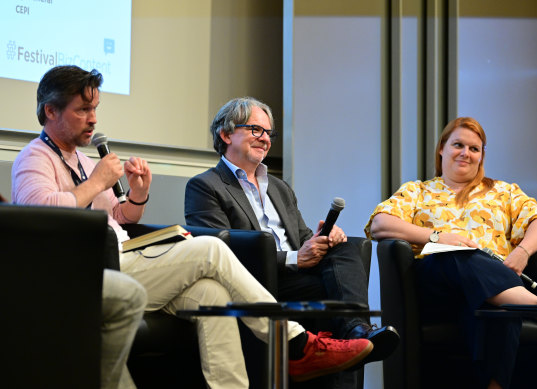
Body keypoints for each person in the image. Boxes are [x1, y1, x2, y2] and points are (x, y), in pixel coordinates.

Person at [11, 65, 374, 389]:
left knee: (211, 296)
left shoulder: (81, 159)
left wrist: (136, 195)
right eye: (82, 110)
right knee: (212, 248)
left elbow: (119, 220)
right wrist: (97, 182)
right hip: (87, 271)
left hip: (119, 255)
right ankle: (296, 345)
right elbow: (38, 215)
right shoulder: (35, 157)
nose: (92, 119)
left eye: (94, 109)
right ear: (51, 111)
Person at [364, 116, 537, 389]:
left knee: (500, 309)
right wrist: (441, 237)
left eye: (474, 148)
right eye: (458, 145)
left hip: (491, 285)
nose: (466, 153)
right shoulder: (417, 191)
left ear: (481, 156)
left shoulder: (503, 192)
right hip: (436, 285)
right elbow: (381, 224)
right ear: (442, 148)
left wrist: (523, 252)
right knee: (454, 252)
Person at [184, 97, 399, 368]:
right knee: (333, 289)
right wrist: (295, 258)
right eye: (255, 130)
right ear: (225, 134)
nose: (265, 139)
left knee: (347, 246)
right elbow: (219, 253)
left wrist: (321, 240)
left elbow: (300, 237)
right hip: (256, 282)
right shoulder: (205, 186)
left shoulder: (278, 187)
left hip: (297, 275)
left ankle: (356, 331)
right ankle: (354, 336)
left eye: (268, 133)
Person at [0, 192, 147, 389]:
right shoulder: (33, 161)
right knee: (128, 295)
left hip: (47, 265)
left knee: (203, 288)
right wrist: (97, 181)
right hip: (40, 269)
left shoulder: (86, 161)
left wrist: (139, 194)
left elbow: (122, 215)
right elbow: (39, 210)